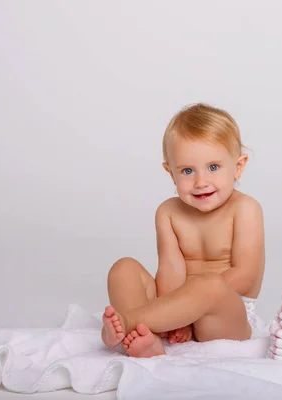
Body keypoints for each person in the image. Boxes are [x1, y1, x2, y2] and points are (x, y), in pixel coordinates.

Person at [101, 103, 266, 358]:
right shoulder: (168, 212)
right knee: (123, 268)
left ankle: (130, 322)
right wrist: (176, 317)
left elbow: (245, 275)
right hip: (176, 309)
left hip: (225, 315)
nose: (201, 182)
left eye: (213, 167)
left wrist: (191, 309)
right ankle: (149, 338)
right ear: (171, 173)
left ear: (239, 166)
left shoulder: (245, 209)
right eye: (187, 171)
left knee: (207, 285)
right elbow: (170, 270)